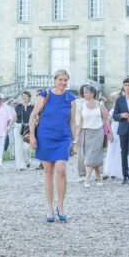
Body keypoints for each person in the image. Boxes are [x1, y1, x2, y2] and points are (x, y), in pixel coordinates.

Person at [29, 68, 76, 222]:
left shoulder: (71, 98)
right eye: (60, 79)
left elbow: (72, 121)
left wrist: (74, 142)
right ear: (54, 80)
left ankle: (60, 206)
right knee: (48, 172)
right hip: (45, 137)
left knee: (61, 170)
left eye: (65, 80)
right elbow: (33, 116)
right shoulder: (45, 95)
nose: (63, 82)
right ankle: (50, 208)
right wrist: (32, 136)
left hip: (63, 137)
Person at [75, 85, 112, 187]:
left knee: (92, 156)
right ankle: (99, 177)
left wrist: (110, 133)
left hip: (98, 133)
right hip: (86, 133)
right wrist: (77, 136)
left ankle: (87, 179)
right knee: (90, 156)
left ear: (92, 94)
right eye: (84, 92)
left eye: (86, 92)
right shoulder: (83, 106)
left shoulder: (100, 105)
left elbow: (106, 120)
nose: (84, 94)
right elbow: (81, 122)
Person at [103, 92, 123, 181]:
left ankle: (118, 171)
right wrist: (120, 91)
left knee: (119, 149)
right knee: (112, 149)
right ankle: (110, 171)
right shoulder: (114, 106)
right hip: (114, 128)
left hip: (121, 126)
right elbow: (112, 95)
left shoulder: (124, 105)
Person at [14, 91, 34, 170]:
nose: (24, 97)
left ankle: (27, 160)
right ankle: (20, 165)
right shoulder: (18, 106)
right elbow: (14, 117)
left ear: (29, 97)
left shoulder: (32, 106)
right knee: (18, 147)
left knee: (27, 147)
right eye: (23, 96)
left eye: (26, 96)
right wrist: (8, 126)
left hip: (28, 128)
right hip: (18, 127)